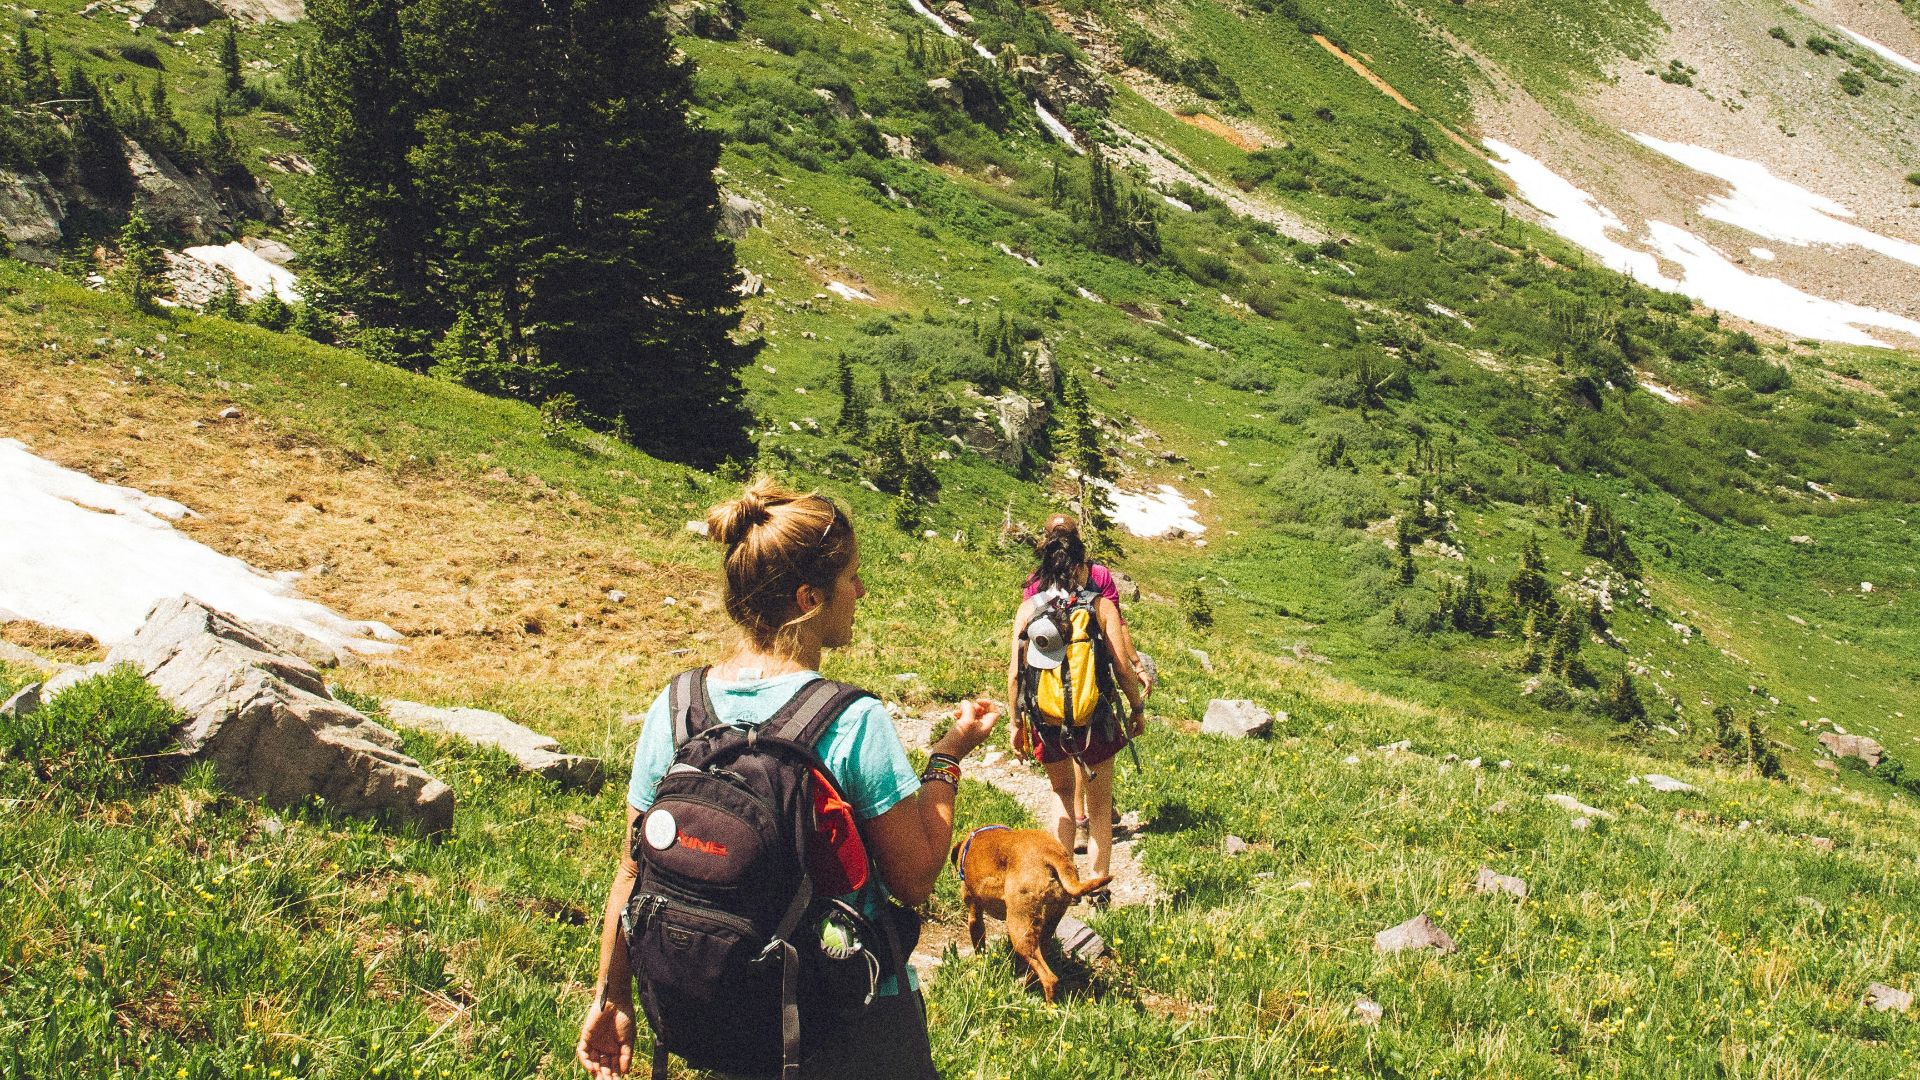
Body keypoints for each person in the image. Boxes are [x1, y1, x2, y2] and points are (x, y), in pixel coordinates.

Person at [579, 478, 1000, 1080]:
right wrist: (948, 758)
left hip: (730, 1011)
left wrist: (611, 998)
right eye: (849, 577)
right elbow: (916, 878)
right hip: (848, 1020)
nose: (860, 589)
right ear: (809, 598)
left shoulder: (677, 706)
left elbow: (630, 869)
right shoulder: (852, 720)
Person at [1007, 522, 1147, 893]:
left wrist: (1015, 723)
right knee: (1100, 809)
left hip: (1046, 718)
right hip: (1094, 717)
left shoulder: (1028, 609)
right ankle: (1097, 888)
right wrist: (1136, 708)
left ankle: (1060, 884)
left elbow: (1015, 674)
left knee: (1062, 797)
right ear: (1083, 563)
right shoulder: (1100, 606)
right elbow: (1119, 667)